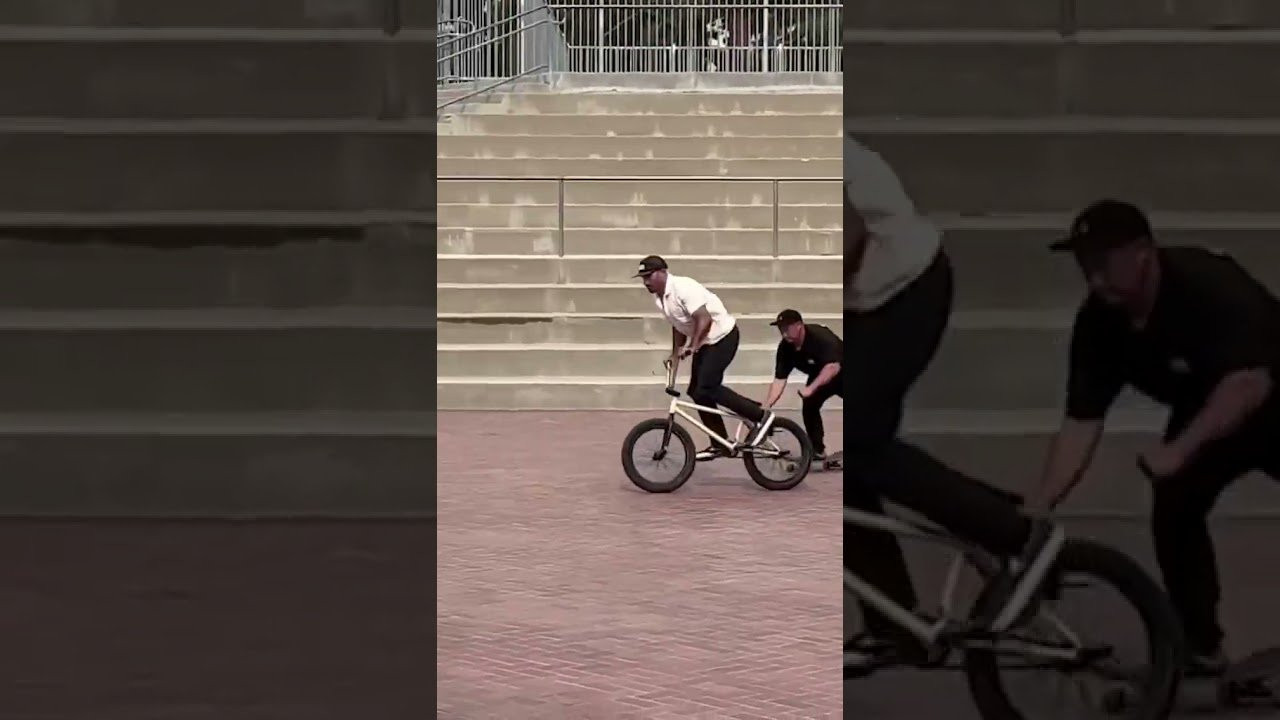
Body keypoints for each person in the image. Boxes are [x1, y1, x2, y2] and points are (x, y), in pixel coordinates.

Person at [1026, 198, 1280, 676]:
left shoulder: (1208, 285)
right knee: (1176, 504)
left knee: (1180, 467)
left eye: (1104, 264)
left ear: (1144, 252)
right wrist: (1039, 506)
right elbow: (1081, 421)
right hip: (1211, 408)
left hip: (1268, 392)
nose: (1094, 279)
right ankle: (1200, 646)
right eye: (1085, 266)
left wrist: (1179, 450)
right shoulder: (1101, 321)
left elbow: (1249, 383)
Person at [843, 135, 1060, 676]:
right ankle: (892, 627)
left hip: (905, 293)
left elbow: (847, 236)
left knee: (857, 436)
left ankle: (1011, 529)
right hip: (863, 304)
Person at [635, 255, 775, 460]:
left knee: (708, 386)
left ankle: (759, 415)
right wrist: (675, 354)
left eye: (649, 276)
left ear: (663, 272)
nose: (646, 282)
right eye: (643, 278)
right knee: (697, 391)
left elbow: (704, 318)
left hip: (722, 337)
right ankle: (720, 443)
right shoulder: (660, 298)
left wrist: (693, 346)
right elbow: (679, 325)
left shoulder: (683, 288)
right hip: (705, 342)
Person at [761, 309, 843, 464]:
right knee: (809, 405)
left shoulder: (820, 337)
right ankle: (817, 450)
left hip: (842, 372)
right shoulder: (785, 348)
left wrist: (810, 389)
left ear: (799, 325)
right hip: (820, 375)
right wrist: (766, 406)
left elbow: (833, 367)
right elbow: (779, 379)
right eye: (781, 328)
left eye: (787, 328)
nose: (783, 332)